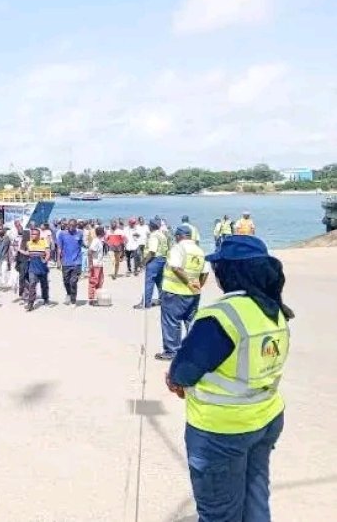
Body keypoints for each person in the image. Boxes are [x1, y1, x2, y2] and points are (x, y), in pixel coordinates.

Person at [165, 235, 290, 521]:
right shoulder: (275, 310)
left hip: (221, 429)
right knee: (256, 498)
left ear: (229, 273)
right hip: (266, 418)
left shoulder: (223, 315)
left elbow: (184, 371)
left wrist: (174, 378)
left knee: (219, 512)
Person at [156, 225, 209, 361]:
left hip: (174, 291)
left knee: (171, 322)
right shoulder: (199, 250)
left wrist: (188, 282)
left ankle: (172, 351)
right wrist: (198, 286)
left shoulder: (178, 248)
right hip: (193, 294)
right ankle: (193, 349)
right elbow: (205, 272)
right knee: (191, 322)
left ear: (179, 236)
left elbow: (175, 267)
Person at [135, 220, 169, 310]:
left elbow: (152, 251)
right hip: (162, 259)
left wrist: (143, 263)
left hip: (154, 260)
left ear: (152, 226)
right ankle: (163, 300)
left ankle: (146, 303)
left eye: (149, 225)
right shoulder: (162, 235)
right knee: (160, 281)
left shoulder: (153, 236)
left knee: (149, 282)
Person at [56, 219, 84, 305]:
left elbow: (81, 244)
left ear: (76, 226)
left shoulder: (80, 233)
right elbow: (59, 248)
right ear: (67, 225)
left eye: (73, 226)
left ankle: (73, 300)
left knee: (73, 282)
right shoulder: (62, 234)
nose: (71, 227)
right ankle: (68, 293)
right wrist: (58, 260)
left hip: (77, 262)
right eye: (70, 225)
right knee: (66, 281)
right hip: (66, 261)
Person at [21, 228, 50, 311]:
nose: (32, 236)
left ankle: (46, 298)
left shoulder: (44, 242)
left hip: (42, 267)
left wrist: (45, 260)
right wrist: (20, 251)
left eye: (34, 234)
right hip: (32, 267)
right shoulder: (28, 243)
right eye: (31, 234)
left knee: (44, 285)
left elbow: (48, 253)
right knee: (32, 284)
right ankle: (30, 303)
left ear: (38, 235)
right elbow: (28, 253)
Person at [87, 227, 107, 305]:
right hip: (95, 265)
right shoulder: (95, 241)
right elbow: (90, 252)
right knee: (93, 282)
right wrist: (90, 264)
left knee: (100, 281)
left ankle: (98, 297)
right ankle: (91, 299)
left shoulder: (99, 241)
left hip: (99, 264)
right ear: (102, 233)